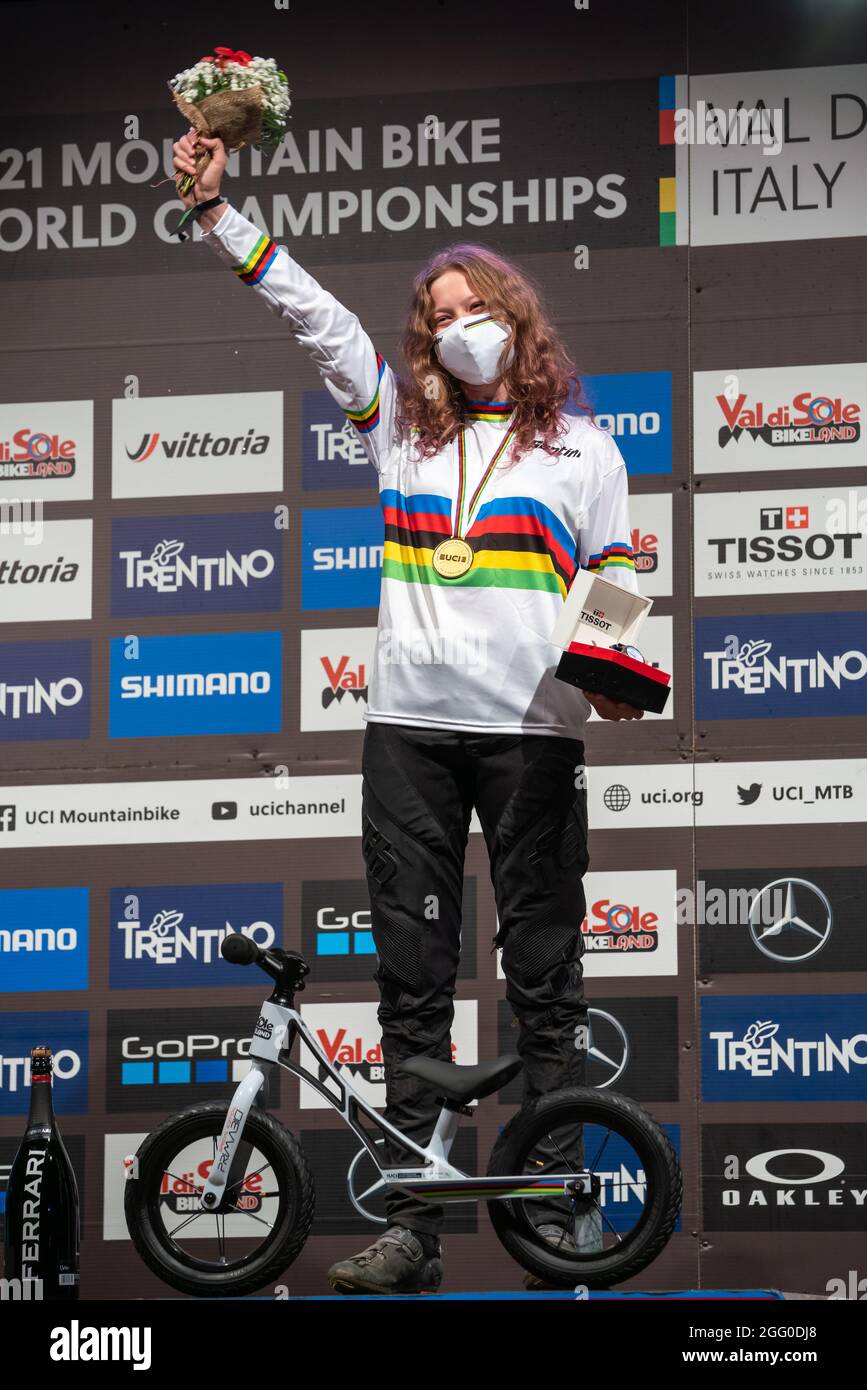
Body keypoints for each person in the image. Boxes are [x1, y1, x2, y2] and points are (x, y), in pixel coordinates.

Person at [172, 129, 645, 1296]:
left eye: (468, 302)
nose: (451, 322)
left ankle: (559, 1215)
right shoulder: (398, 426)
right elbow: (318, 318)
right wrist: (222, 216)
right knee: (412, 985)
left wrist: (612, 665)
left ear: (513, 314)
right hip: (410, 739)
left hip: (534, 737)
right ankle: (415, 1230)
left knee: (544, 980)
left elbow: (622, 575)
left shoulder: (586, 446)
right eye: (434, 311)